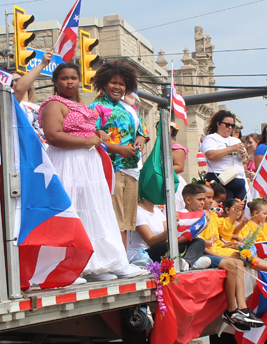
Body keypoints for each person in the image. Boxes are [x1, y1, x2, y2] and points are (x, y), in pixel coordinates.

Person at [39, 63, 145, 281]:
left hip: (89, 162)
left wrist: (97, 133)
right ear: (55, 82)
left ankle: (97, 264)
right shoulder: (54, 104)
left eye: (74, 78)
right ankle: (64, 267)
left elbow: (89, 129)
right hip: (68, 160)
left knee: (95, 211)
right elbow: (52, 135)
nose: (70, 82)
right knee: (71, 212)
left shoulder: (80, 105)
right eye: (64, 78)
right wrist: (88, 139)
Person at [181, 183, 264, 332]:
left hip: (212, 249)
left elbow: (224, 229)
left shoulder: (208, 215)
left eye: (207, 198)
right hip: (202, 253)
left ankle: (242, 309)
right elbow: (198, 243)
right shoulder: (187, 216)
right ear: (189, 200)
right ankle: (232, 310)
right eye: (205, 198)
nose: (206, 202)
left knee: (238, 261)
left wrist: (233, 214)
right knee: (236, 260)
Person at [90, 61, 150, 249]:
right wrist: (118, 149)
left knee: (127, 218)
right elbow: (91, 138)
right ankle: (116, 258)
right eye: (113, 82)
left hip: (131, 167)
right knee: (114, 216)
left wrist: (141, 138)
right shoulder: (96, 107)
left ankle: (123, 258)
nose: (117, 87)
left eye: (122, 84)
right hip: (110, 167)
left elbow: (143, 130)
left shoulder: (129, 108)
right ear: (104, 83)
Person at [196, 183, 267, 281]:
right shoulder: (198, 216)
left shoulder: (213, 215)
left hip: (218, 247)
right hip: (211, 250)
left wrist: (235, 211)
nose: (212, 201)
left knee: (246, 252)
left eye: (212, 198)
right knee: (242, 254)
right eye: (208, 198)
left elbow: (224, 228)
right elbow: (224, 232)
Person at [127, 198, 210, 271]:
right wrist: (172, 227)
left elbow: (173, 237)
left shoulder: (157, 211)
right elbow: (151, 242)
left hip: (162, 247)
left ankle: (187, 263)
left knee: (199, 242)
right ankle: (190, 263)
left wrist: (197, 229)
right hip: (144, 254)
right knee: (167, 246)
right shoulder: (138, 212)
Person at [201, 110, 248, 200]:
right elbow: (210, 155)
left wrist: (245, 156)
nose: (230, 128)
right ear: (218, 124)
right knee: (226, 211)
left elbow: (245, 160)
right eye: (227, 125)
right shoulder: (211, 138)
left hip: (239, 180)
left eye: (232, 126)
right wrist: (231, 149)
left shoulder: (236, 140)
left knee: (240, 210)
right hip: (221, 180)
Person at [11, 48, 54, 141]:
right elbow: (18, 89)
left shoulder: (39, 107)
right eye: (10, 82)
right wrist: (42, 64)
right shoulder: (12, 105)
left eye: (18, 80)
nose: (15, 84)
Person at [169, 121, 189, 210]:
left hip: (174, 181)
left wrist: (159, 170)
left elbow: (179, 167)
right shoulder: (158, 146)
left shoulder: (177, 148)